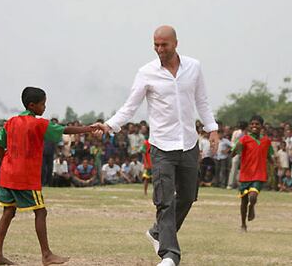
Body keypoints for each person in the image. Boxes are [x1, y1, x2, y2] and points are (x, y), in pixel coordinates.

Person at [93, 26, 218, 266]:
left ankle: (157, 233)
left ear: (176, 43)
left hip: (189, 144)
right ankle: (170, 254)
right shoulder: (146, 72)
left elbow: (202, 100)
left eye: (164, 45)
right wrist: (110, 125)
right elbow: (131, 105)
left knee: (188, 196)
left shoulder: (194, 67)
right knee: (164, 200)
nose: (160, 49)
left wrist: (212, 128)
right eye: (156, 45)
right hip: (161, 146)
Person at [0, 87, 101, 265]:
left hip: (7, 175)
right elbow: (65, 129)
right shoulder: (37, 123)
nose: (45, 107)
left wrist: (6, 161)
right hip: (25, 177)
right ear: (32, 105)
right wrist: (89, 128)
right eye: (43, 104)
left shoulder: (10, 122)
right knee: (41, 212)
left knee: (8, 212)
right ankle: (46, 254)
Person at [232, 115, 273, 232]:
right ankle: (243, 225)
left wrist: (274, 166)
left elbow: (269, 156)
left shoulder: (266, 141)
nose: (254, 126)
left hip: (259, 174)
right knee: (244, 201)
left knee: (253, 196)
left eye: (257, 124)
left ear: (261, 126)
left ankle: (252, 206)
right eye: (252, 124)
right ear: (249, 126)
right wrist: (237, 148)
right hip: (246, 174)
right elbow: (232, 154)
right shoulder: (244, 139)